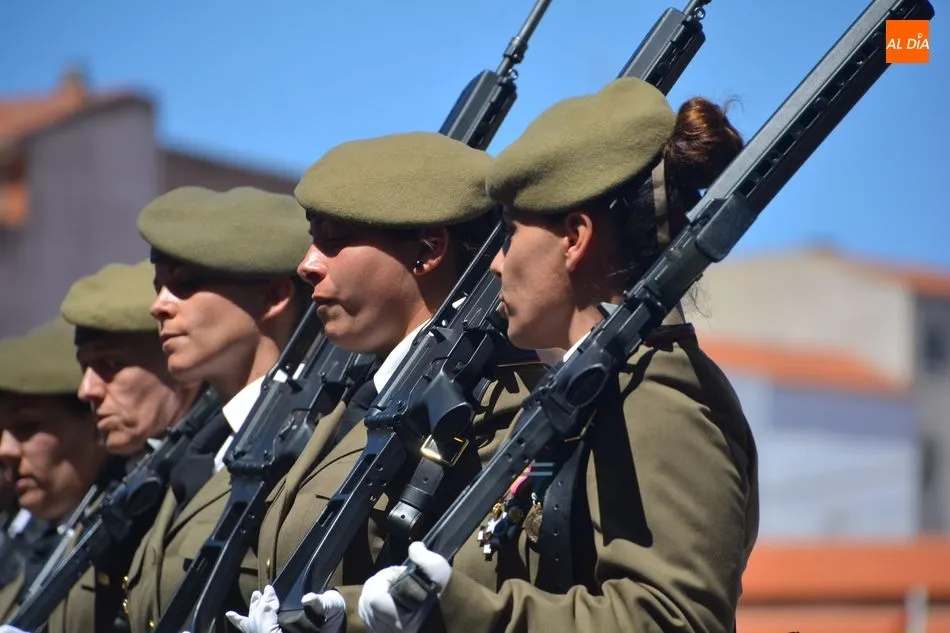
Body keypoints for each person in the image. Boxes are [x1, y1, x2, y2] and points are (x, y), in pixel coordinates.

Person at [358, 78, 760, 633]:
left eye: (508, 236)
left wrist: (462, 612)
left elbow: (674, 620)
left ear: (574, 238)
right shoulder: (586, 392)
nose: (497, 266)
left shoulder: (658, 395)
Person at [224, 132, 547, 633]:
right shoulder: (355, 400)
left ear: (426, 250)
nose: (307, 265)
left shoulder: (498, 400)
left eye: (332, 242)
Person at [123, 186, 311, 633]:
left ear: (273, 298)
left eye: (185, 284)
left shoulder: (313, 440)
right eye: (158, 287)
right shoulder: (200, 449)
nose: (159, 306)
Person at [41, 259, 204, 633]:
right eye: (85, 369)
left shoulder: (211, 473)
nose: (88, 391)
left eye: (111, 365)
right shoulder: (115, 485)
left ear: (175, 363)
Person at [0, 319, 114, 621]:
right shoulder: (23, 533)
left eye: (27, 426)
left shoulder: (123, 535)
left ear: (95, 423)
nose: (5, 450)